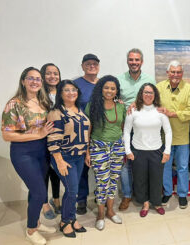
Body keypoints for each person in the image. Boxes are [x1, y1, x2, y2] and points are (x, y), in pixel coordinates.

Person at [1, 67, 55, 245]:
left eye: (38, 79)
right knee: (40, 193)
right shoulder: (14, 104)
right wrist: (38, 135)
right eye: (30, 78)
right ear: (23, 81)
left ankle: (37, 223)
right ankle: (31, 230)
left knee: (36, 191)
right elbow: (7, 135)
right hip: (23, 153)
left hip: (43, 152)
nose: (35, 82)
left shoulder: (44, 102)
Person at [47, 80, 90, 238]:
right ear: (60, 93)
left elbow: (84, 134)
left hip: (79, 157)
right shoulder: (56, 112)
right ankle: (65, 221)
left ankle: (71, 219)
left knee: (73, 190)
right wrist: (59, 161)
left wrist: (86, 153)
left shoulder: (79, 109)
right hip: (64, 158)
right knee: (72, 191)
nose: (71, 92)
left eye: (74, 89)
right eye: (67, 90)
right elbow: (52, 139)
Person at [124, 83, 172, 217]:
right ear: (141, 94)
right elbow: (126, 132)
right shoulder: (132, 111)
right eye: (145, 92)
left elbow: (168, 132)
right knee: (140, 179)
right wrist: (128, 150)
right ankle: (145, 203)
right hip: (138, 151)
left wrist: (167, 151)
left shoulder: (160, 112)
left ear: (155, 95)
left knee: (156, 179)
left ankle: (156, 203)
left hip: (156, 151)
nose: (148, 95)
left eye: (151, 92)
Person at [85, 75, 125, 230]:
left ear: (117, 91)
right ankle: (100, 214)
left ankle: (110, 211)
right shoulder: (92, 105)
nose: (109, 90)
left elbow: (121, 128)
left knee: (113, 180)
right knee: (102, 181)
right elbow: (87, 129)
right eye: (106, 87)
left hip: (117, 147)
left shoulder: (121, 106)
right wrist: (88, 152)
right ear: (101, 88)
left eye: (113, 88)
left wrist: (121, 145)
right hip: (98, 146)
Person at [117, 48, 155, 211]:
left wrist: (136, 103)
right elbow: (115, 100)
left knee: (142, 162)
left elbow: (153, 101)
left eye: (137, 60)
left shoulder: (149, 79)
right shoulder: (119, 80)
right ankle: (127, 195)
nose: (134, 62)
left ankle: (143, 194)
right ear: (127, 61)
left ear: (142, 62)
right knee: (125, 163)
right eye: (131, 60)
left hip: (143, 129)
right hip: (124, 127)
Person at [156, 60, 190, 209]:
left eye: (178, 72)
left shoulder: (188, 89)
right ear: (168, 73)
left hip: (182, 137)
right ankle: (167, 192)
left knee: (182, 167)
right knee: (165, 167)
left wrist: (173, 114)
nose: (175, 75)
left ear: (182, 73)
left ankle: (182, 194)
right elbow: (150, 104)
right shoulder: (159, 87)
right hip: (163, 137)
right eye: (172, 72)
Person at [73, 53, 100, 215]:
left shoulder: (104, 84)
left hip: (100, 133)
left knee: (100, 166)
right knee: (82, 168)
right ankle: (81, 200)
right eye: (88, 64)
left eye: (95, 63)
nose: (92, 66)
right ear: (83, 66)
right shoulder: (76, 84)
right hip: (80, 133)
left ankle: (100, 195)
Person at [40, 63, 62, 217]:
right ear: (43, 76)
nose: (52, 76)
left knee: (56, 170)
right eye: (49, 73)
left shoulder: (62, 92)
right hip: (42, 138)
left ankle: (56, 199)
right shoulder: (37, 94)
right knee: (44, 171)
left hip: (60, 138)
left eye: (55, 73)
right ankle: (44, 204)